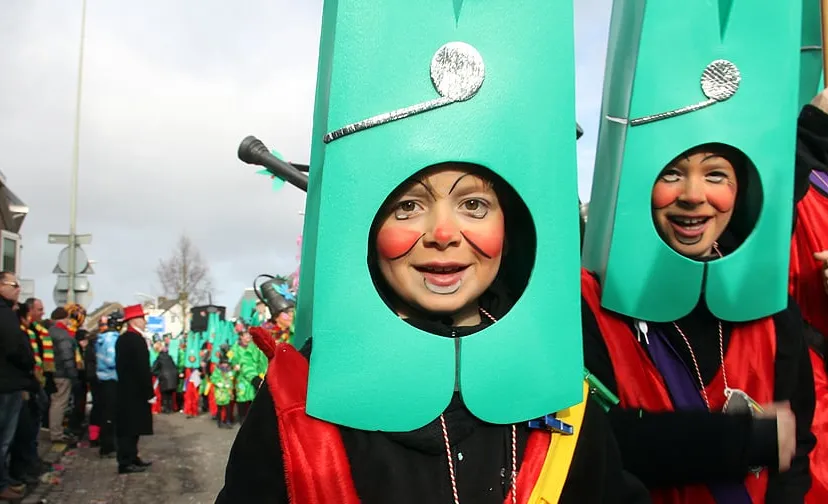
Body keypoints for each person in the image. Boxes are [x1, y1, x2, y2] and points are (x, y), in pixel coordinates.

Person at [216, 3, 650, 502]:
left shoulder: (561, 391)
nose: (443, 233)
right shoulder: (294, 404)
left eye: (473, 203)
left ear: (510, 226)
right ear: (368, 225)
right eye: (408, 205)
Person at [580, 3, 818, 503]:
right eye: (670, 172)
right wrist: (744, 439)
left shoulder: (774, 308)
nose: (693, 195)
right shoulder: (587, 302)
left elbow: (794, 455)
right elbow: (596, 446)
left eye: (715, 174)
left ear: (740, 189)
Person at [0, 272, 35, 501]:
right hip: (7, 383)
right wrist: (28, 360)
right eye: (14, 285)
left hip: (8, 381)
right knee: (4, 439)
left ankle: (4, 481)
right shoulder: (5, 314)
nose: (18, 289)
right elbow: (14, 346)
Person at [115, 304, 154, 474]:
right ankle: (126, 461)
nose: (145, 322)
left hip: (128, 390)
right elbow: (142, 369)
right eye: (142, 318)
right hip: (134, 391)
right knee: (130, 428)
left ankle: (132, 457)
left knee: (133, 427)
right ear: (134, 320)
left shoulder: (127, 338)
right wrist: (149, 392)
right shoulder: (134, 340)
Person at [47, 306, 79, 445]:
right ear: (65, 318)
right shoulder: (63, 335)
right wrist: (73, 375)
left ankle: (55, 429)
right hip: (62, 373)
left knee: (55, 402)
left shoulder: (49, 332)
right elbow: (67, 357)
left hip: (53, 371)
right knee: (59, 403)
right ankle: (56, 433)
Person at [96, 313, 120, 458]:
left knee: (105, 413)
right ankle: (109, 446)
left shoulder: (101, 339)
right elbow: (112, 360)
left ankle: (106, 445)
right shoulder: (112, 340)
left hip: (103, 378)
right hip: (111, 379)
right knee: (111, 414)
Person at [151, 343, 178, 414]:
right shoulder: (169, 356)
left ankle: (166, 409)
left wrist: (160, 374)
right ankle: (171, 408)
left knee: (165, 395)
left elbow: (152, 370)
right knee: (170, 394)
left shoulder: (159, 358)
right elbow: (174, 367)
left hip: (164, 379)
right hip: (173, 378)